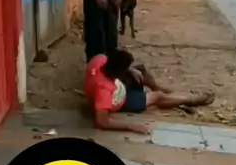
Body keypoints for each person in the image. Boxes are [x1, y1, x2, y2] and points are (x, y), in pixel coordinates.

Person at [85, 49, 214, 135]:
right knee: (157, 97)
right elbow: (102, 122)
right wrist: (131, 127)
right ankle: (191, 100)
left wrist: (130, 69)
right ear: (119, 72)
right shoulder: (104, 91)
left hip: (116, 84)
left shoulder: (100, 60)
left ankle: (159, 88)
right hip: (120, 100)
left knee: (140, 70)